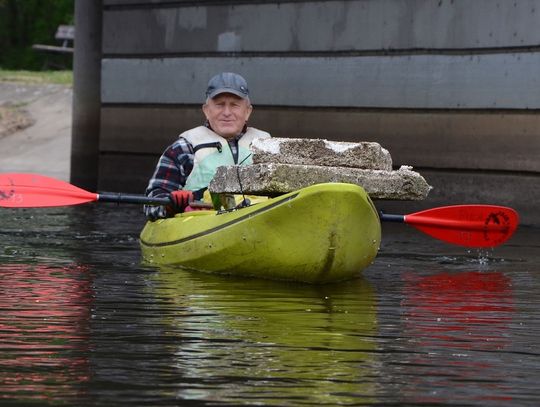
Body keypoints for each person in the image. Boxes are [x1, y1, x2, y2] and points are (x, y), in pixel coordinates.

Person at [144, 72, 271, 220]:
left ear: (247, 112)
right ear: (206, 110)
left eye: (234, 105)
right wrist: (171, 204)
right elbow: (151, 206)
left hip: (258, 219)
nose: (227, 113)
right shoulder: (182, 150)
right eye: (219, 105)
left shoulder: (268, 147)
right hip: (199, 223)